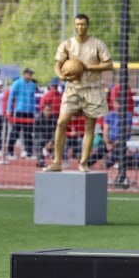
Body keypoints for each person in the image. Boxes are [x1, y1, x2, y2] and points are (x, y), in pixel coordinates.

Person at [44, 14, 114, 172]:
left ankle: (83, 163)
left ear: (88, 25)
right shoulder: (67, 44)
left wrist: (87, 67)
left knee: (90, 126)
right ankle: (57, 161)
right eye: (77, 24)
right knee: (62, 122)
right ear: (74, 26)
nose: (80, 27)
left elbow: (109, 65)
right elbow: (58, 64)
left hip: (92, 89)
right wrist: (61, 75)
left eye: (83, 24)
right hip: (72, 89)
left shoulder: (97, 44)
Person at [5, 68, 39, 159]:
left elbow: (33, 99)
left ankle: (29, 153)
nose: (30, 76)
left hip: (29, 112)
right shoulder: (17, 83)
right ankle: (10, 152)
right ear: (24, 74)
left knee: (28, 133)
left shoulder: (32, 85)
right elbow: (11, 97)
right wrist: (9, 110)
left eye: (31, 74)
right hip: (19, 111)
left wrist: (34, 112)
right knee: (15, 132)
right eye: (29, 74)